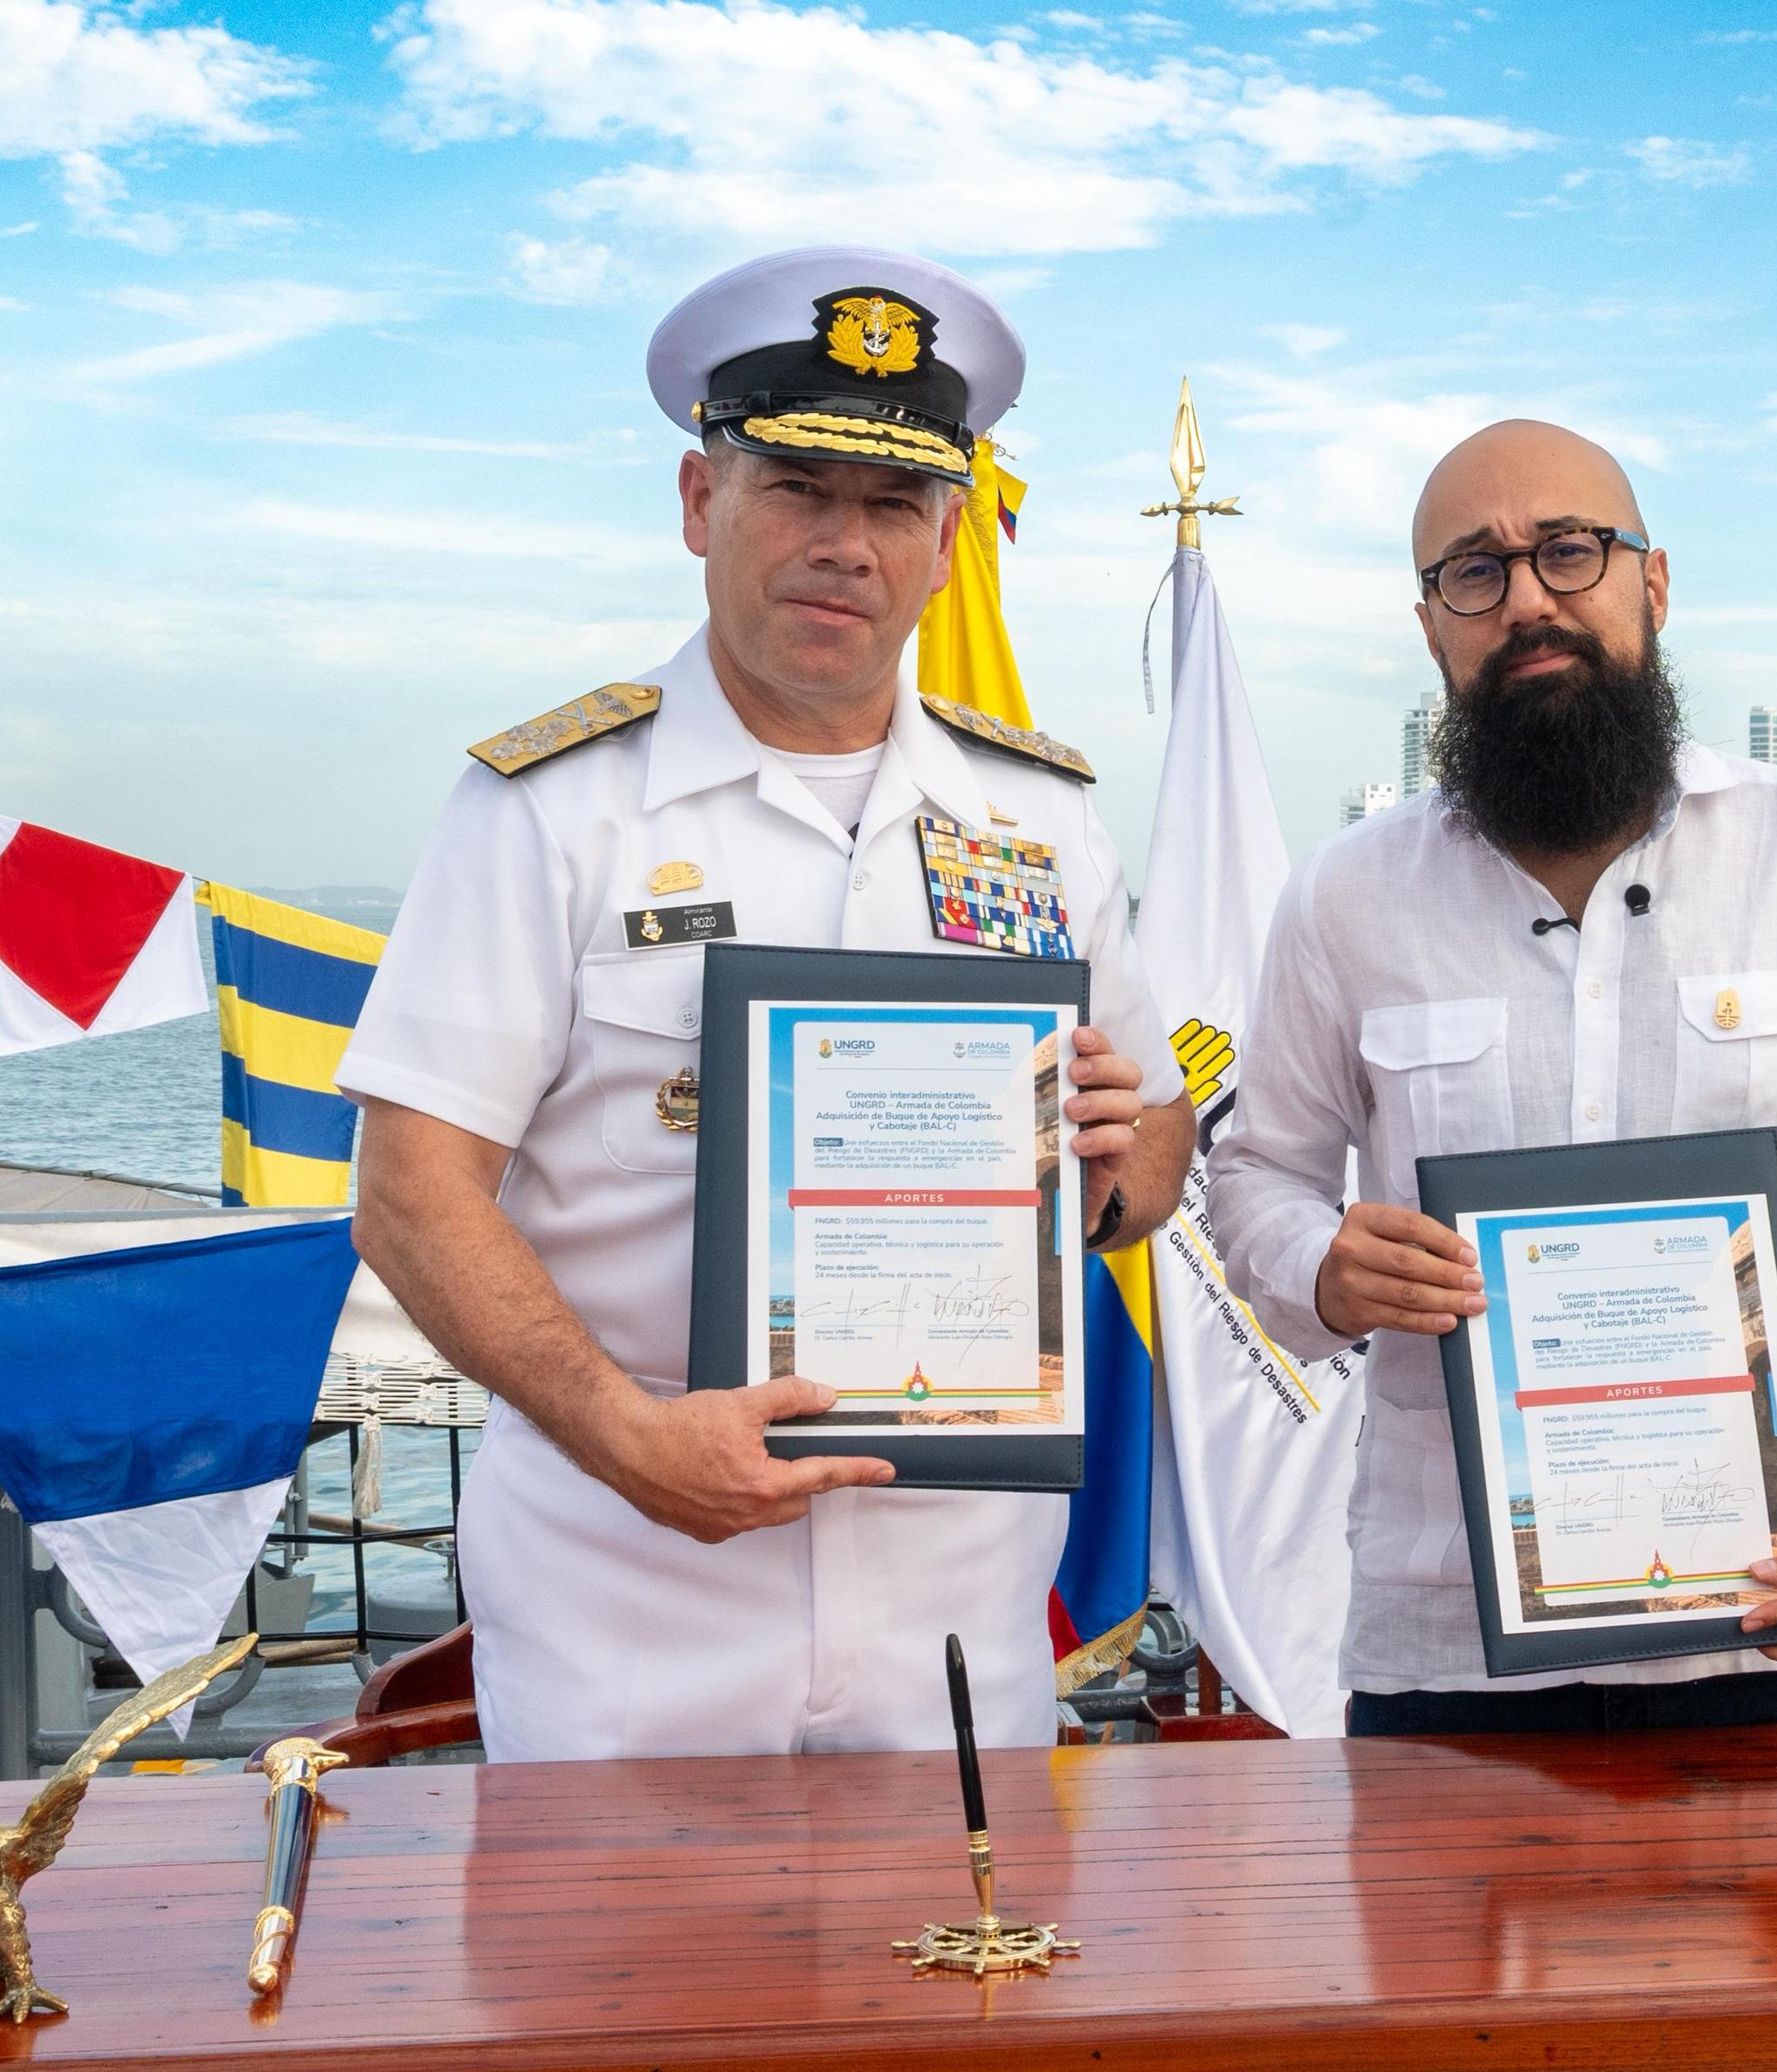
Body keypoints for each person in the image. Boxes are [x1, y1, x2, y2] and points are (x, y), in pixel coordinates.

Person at [337, 247, 1192, 1762]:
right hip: (628, 1586)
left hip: (954, 1601)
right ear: (697, 504)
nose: (843, 545)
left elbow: (1152, 1155)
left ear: (947, 543)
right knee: (626, 2000)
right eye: (797, 486)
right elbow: (411, 1193)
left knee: (951, 1989)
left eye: (891, 507)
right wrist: (623, 1436)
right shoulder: (550, 810)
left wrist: (1123, 1174)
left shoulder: (1043, 818)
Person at [1208, 419, 1777, 1735]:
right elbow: (1255, 1177)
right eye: (1475, 572)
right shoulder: (1346, 896)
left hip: (1775, 1636)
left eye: (1569, 552)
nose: (1528, 598)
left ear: (1651, 582)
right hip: (1446, 1654)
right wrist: (1321, 1268)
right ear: (1432, 628)